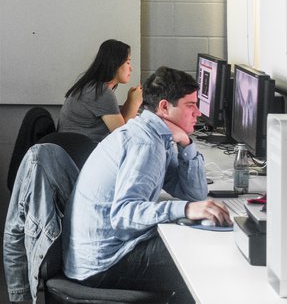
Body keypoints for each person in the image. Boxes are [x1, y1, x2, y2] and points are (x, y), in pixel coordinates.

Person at [62, 66, 231, 303]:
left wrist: (186, 143)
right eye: (190, 105)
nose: (198, 114)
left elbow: (195, 194)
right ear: (164, 107)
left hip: (107, 251)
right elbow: (123, 215)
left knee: (198, 244)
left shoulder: (157, 136)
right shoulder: (146, 144)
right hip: (104, 263)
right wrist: (184, 210)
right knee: (203, 257)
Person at [57, 39, 142, 142]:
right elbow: (123, 138)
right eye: (128, 62)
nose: (131, 69)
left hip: (72, 147)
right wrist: (135, 103)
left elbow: (119, 122)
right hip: (82, 152)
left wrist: (130, 101)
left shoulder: (93, 87)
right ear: (115, 63)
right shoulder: (101, 92)